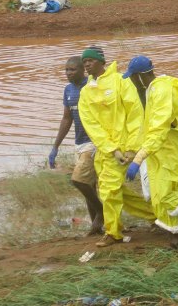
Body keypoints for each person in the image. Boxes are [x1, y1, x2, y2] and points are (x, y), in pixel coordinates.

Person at [122, 56, 178, 248]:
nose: (131, 81)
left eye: (132, 77)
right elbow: (151, 126)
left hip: (175, 147)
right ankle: (175, 237)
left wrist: (139, 159)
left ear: (139, 76)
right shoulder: (155, 88)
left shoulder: (161, 90)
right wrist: (134, 151)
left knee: (165, 192)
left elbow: (159, 127)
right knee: (159, 191)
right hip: (163, 146)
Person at [77, 47, 154, 247]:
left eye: (90, 60)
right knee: (114, 192)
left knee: (110, 191)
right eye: (84, 61)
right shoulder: (86, 92)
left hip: (125, 148)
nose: (86, 64)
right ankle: (156, 215)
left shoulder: (121, 81)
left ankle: (113, 233)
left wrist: (130, 148)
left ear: (101, 61)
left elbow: (135, 114)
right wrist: (111, 149)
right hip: (106, 151)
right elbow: (91, 125)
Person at [48, 56, 103, 236]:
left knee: (78, 180)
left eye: (72, 70)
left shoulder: (92, 86)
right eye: (66, 70)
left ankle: (102, 212)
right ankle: (96, 226)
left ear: (82, 70)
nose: (68, 73)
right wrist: (55, 147)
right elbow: (67, 118)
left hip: (93, 141)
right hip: (79, 142)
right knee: (89, 185)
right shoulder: (68, 90)